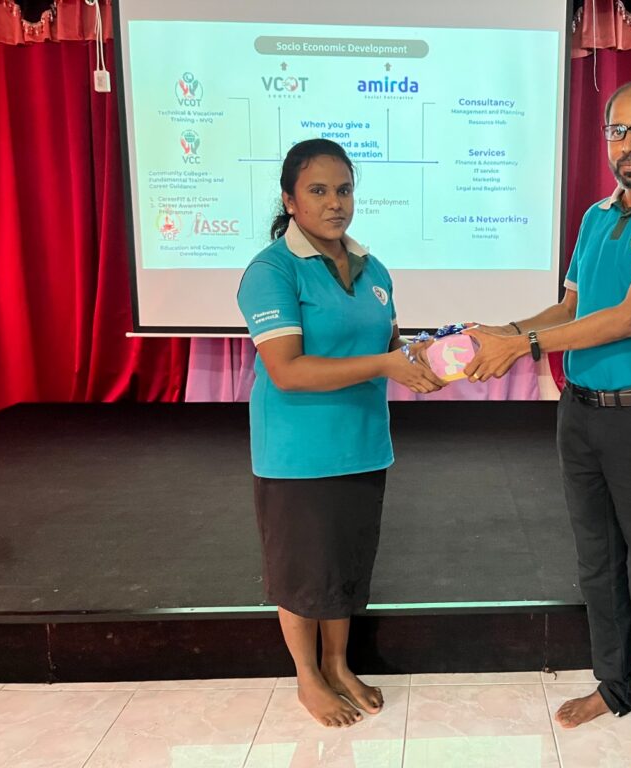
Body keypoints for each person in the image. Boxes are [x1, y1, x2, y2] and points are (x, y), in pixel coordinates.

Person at [464, 81, 631, 767]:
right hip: (579, 414)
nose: (627, 145)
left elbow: (629, 317)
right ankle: (614, 685)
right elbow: (570, 308)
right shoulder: (594, 216)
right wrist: (507, 331)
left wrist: (526, 347)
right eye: (616, 131)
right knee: (597, 562)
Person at [236, 139, 445, 728]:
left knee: (344, 567)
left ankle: (338, 664)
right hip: (297, 453)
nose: (335, 203)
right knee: (302, 573)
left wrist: (438, 354)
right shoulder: (271, 271)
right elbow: (287, 369)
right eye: (318, 191)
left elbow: (391, 344)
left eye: (344, 190)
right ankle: (308, 679)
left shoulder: (372, 268)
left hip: (363, 444)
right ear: (290, 199)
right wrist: (387, 364)